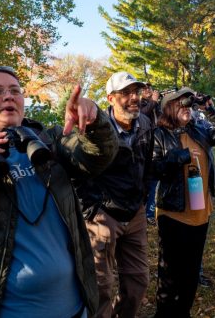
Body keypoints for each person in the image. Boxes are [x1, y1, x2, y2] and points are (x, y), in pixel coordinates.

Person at [0, 66, 118, 318]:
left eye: (15, 90)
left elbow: (99, 156)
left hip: (73, 307)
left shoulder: (49, 142)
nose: (8, 96)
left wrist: (94, 123)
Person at [76, 71, 153, 318]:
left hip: (135, 213)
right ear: (110, 99)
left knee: (138, 281)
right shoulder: (93, 130)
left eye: (137, 92)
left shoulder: (145, 124)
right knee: (101, 286)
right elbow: (77, 170)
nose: (134, 98)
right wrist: (92, 209)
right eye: (126, 93)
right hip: (103, 215)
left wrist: (142, 199)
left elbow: (146, 165)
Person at [151, 87, 215, 317]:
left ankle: (183, 311)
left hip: (201, 213)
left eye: (188, 104)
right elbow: (153, 169)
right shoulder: (160, 134)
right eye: (180, 103)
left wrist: (209, 108)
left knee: (191, 271)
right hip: (174, 214)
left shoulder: (199, 130)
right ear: (168, 108)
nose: (186, 108)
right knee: (170, 275)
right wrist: (179, 156)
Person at [140, 82, 161, 226]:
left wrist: (158, 103)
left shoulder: (155, 104)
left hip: (157, 144)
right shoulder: (138, 103)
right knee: (144, 180)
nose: (148, 90)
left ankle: (150, 213)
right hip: (144, 145)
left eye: (150, 88)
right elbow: (141, 115)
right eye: (145, 88)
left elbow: (160, 118)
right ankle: (142, 211)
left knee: (154, 180)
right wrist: (153, 101)